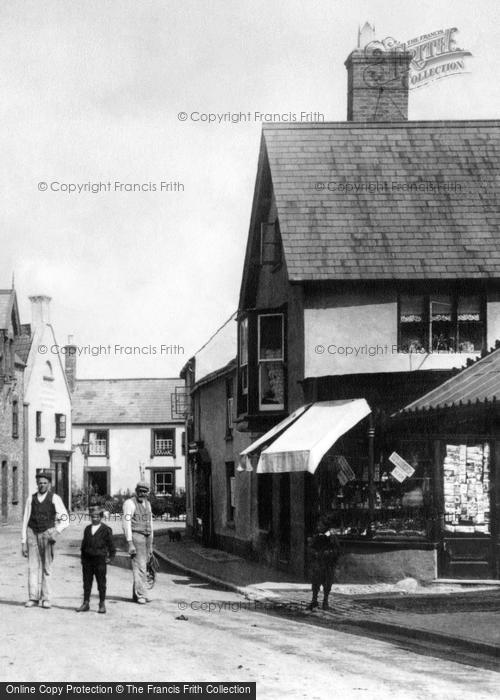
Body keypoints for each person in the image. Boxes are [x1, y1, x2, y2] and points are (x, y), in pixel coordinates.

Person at [21, 471, 69, 608]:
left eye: (45, 483)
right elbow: (25, 520)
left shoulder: (55, 498)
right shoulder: (31, 498)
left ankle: (46, 598)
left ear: (49, 484)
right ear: (37, 484)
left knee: (47, 567)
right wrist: (23, 541)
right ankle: (33, 598)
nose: (42, 485)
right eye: (40, 483)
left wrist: (56, 531)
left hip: (47, 534)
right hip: (32, 533)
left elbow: (65, 519)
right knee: (32, 566)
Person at [76, 505, 116, 614]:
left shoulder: (106, 530)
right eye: (93, 517)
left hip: (100, 560)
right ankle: (86, 602)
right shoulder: (87, 529)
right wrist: (83, 558)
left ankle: (102, 603)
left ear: (101, 517)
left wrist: (110, 557)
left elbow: (112, 546)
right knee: (87, 582)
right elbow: (83, 545)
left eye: (97, 517)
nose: (95, 519)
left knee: (101, 583)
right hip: (88, 560)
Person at [122, 481, 154, 604]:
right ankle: (141, 594)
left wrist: (151, 542)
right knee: (139, 567)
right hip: (136, 536)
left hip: (147, 537)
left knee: (144, 566)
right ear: (136, 491)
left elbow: (150, 522)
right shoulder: (129, 503)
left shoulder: (148, 504)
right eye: (140, 491)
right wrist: (130, 542)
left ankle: (138, 594)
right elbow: (126, 524)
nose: (142, 493)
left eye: (145, 491)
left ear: (148, 493)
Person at [307, 519, 341, 611]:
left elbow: (337, 551)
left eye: (320, 526)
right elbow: (311, 548)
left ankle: (325, 602)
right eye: (318, 526)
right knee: (315, 583)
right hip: (318, 564)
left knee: (327, 584)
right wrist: (314, 552)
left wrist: (328, 553)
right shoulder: (317, 537)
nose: (318, 527)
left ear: (326, 527)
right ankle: (314, 601)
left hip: (328, 565)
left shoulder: (332, 538)